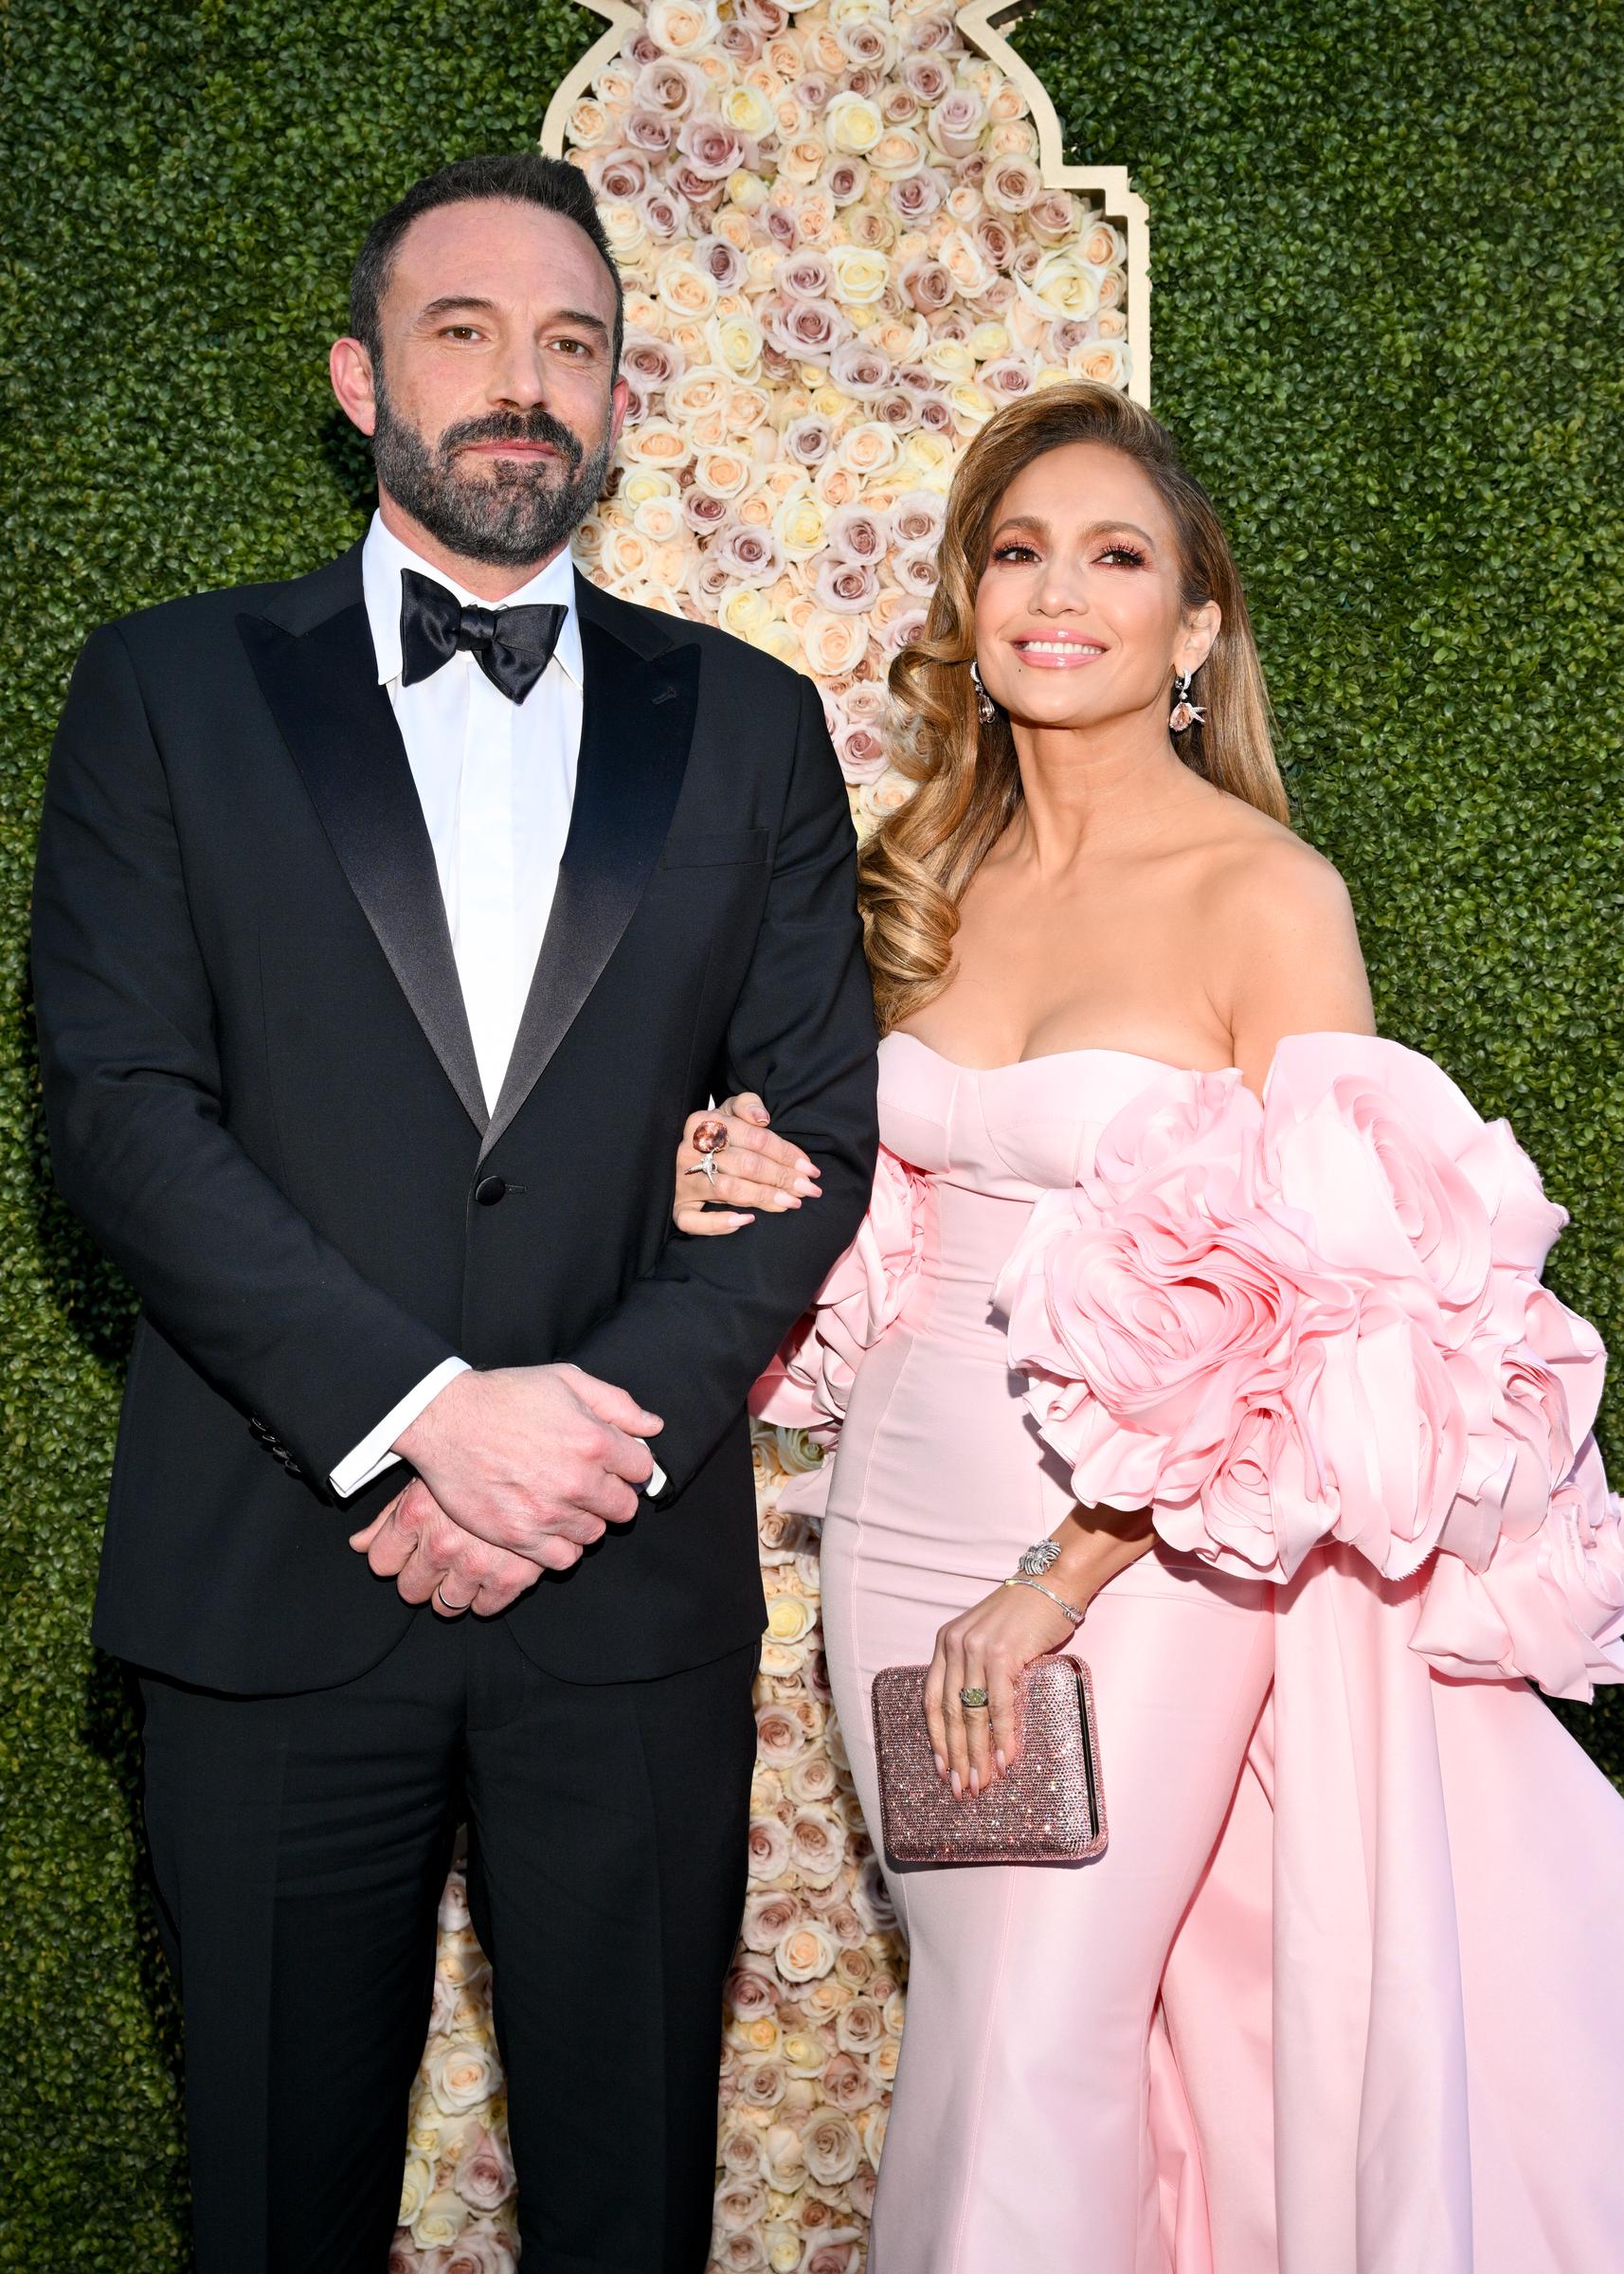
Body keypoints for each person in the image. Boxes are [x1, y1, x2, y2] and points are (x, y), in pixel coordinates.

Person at [673, 380, 1624, 2272]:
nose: (1056, 591)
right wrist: (734, 1182)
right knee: (981, 2014)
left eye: (1115, 556)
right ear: (965, 598)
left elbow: (1340, 1313)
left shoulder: (1264, 895)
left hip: (1151, 1560)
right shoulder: (910, 885)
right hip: (897, 1524)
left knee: (1044, 2031)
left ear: (1192, 629)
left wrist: (1065, 1568)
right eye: (1015, 549)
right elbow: (881, 1217)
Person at [30, 151, 877, 2274]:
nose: (524, 384)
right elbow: (120, 1112)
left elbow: (814, 1131)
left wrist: (572, 1437)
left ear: (617, 402)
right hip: (274, 1578)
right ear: (356, 376)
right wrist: (424, 1411)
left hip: (624, 1597)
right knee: (274, 2199)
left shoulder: (751, 723)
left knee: (628, 2206)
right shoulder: (163, 691)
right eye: (466, 331)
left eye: (571, 344)